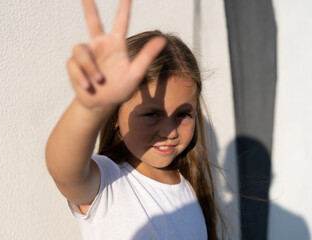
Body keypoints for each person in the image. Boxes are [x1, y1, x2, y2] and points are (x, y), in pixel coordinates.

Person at [46, 0, 222, 239]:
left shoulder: (190, 189)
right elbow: (64, 168)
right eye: (152, 114)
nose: (170, 131)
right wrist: (89, 106)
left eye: (182, 114)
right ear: (114, 114)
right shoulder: (107, 182)